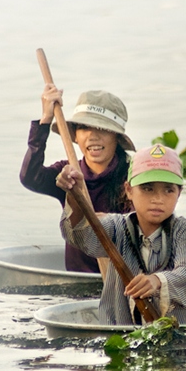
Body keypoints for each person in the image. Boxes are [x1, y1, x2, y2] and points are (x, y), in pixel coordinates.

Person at [57, 144, 186, 326]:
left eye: (168, 190)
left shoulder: (185, 231)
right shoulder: (116, 227)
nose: (158, 199)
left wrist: (157, 281)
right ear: (129, 190)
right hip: (120, 331)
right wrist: (74, 196)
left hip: (179, 333)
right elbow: (80, 237)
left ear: (179, 193)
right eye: (147, 188)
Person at [20, 84, 135, 272]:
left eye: (102, 128)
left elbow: (145, 228)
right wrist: (45, 121)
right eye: (84, 127)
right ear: (76, 136)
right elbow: (30, 178)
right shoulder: (68, 174)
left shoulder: (133, 176)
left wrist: (108, 223)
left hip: (124, 281)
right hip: (78, 281)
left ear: (117, 137)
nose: (92, 136)